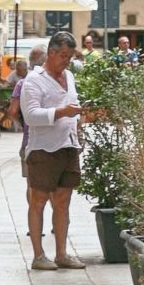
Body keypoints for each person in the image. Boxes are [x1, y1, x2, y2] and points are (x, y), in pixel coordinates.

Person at [21, 30, 88, 271]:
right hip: (44, 148)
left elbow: (72, 104)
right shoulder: (34, 80)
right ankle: (39, 255)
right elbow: (30, 115)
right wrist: (61, 112)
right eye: (62, 55)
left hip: (68, 145)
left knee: (63, 201)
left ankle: (61, 253)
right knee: (38, 200)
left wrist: (79, 119)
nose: (66, 61)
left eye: (69, 56)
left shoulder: (69, 76)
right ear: (50, 53)